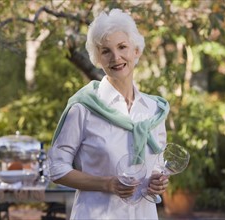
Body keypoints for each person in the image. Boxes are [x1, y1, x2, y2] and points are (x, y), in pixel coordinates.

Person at [47, 8, 170, 219]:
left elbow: (157, 163)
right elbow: (56, 168)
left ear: (136, 51)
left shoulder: (154, 110)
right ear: (98, 58)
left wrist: (159, 180)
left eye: (122, 47)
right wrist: (107, 183)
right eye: (106, 51)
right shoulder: (83, 108)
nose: (116, 57)